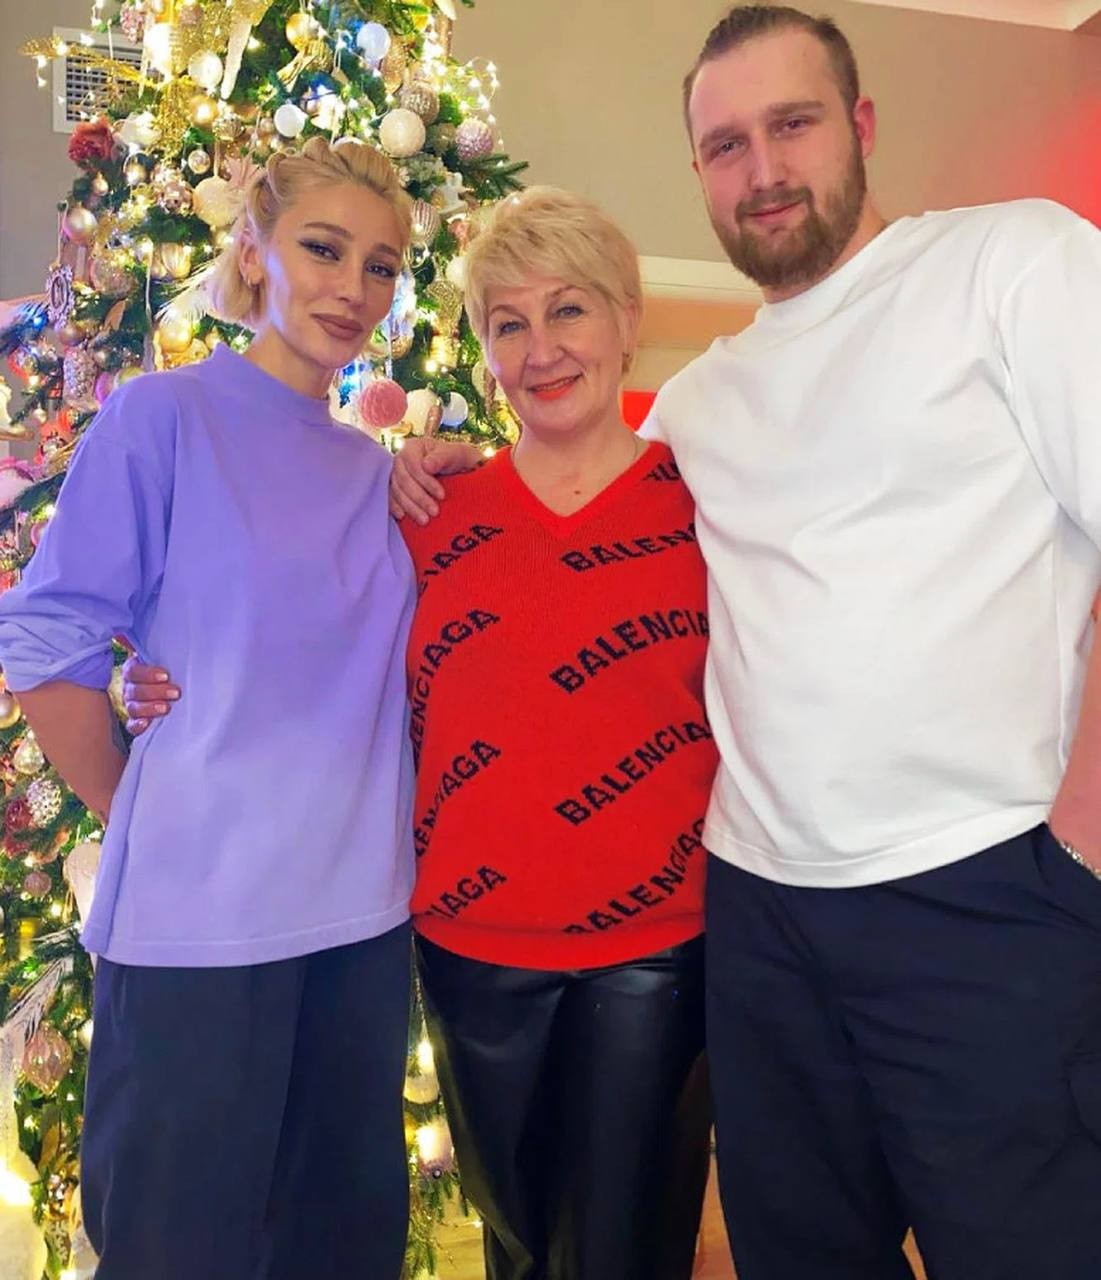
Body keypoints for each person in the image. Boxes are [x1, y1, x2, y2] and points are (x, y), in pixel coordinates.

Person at [390, 8, 1101, 1280]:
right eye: (726, 144)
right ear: (700, 172)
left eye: (793, 124)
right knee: (797, 1253)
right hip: (756, 914)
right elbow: (570, 501)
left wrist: (1081, 839)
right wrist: (423, 467)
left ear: (861, 125)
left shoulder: (1013, 264)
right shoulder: (698, 407)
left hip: (979, 887)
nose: (762, 169)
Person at [124, 186, 717, 1280]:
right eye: (508, 323)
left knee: (628, 1250)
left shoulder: (708, 505)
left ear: (626, 318)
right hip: (470, 948)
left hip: (655, 950)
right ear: (483, 351)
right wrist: (157, 683)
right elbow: (302, 641)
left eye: (570, 310)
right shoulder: (427, 514)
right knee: (515, 1246)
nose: (542, 349)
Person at [0, 137, 417, 1280]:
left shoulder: (375, 471)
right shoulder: (164, 417)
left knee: (340, 1253)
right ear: (253, 249)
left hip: (361, 927)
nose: (353, 287)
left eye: (381, 266)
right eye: (323, 248)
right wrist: (143, 803)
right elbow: (42, 637)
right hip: (200, 933)